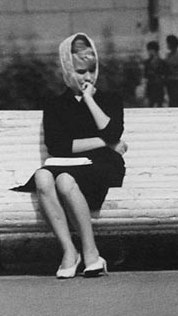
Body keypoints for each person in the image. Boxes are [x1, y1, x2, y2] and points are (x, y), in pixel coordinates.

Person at [13, 33, 127, 278]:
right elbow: (57, 146)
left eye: (91, 71)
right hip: (67, 162)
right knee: (43, 178)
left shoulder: (110, 99)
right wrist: (104, 142)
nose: (87, 77)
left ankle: (91, 253)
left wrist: (89, 99)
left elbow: (113, 130)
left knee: (64, 181)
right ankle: (68, 251)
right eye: (80, 71)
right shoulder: (55, 104)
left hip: (102, 165)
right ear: (66, 69)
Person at [143, 40, 166, 107]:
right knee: (152, 103)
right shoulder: (147, 62)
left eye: (149, 50)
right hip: (153, 85)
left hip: (157, 85)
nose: (148, 52)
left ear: (153, 50)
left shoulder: (161, 62)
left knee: (158, 104)